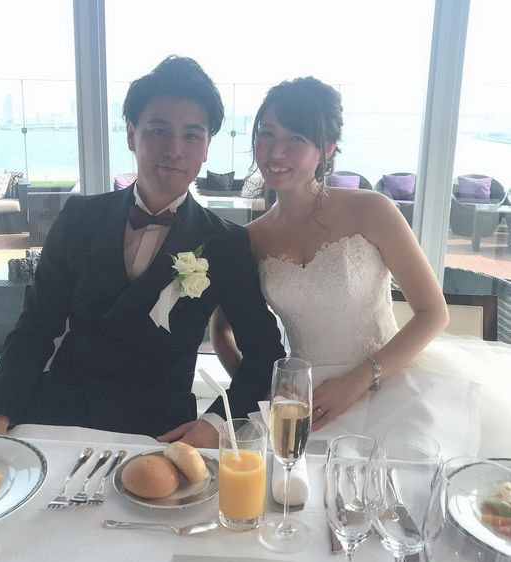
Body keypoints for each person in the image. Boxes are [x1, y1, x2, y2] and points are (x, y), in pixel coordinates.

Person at [0, 56, 285, 448]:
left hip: (158, 430)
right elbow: (35, 327)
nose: (174, 149)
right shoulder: (79, 218)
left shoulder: (225, 243)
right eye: (158, 130)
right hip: (61, 414)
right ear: (130, 134)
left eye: (192, 135)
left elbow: (265, 353)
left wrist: (216, 423)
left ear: (207, 147)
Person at [212, 76, 511, 456]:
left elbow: (433, 313)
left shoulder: (371, 209)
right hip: (310, 401)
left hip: (391, 384)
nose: (276, 151)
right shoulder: (252, 238)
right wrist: (263, 389)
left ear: (327, 148)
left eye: (296, 138)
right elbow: (221, 330)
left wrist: (357, 381)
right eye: (267, 133)